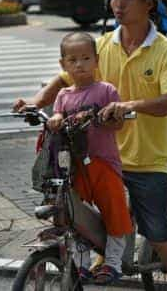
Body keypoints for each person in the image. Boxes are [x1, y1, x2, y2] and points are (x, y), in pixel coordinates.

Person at [15, 0, 167, 291]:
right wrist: (36, 101)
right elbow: (66, 78)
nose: (119, 5)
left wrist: (131, 105)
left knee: (156, 233)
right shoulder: (103, 46)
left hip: (145, 158)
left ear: (149, 2)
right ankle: (101, 256)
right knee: (65, 209)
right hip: (97, 155)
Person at [47, 32, 133, 285]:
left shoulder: (106, 90)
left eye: (85, 58)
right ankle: (82, 264)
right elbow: (57, 117)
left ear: (96, 60)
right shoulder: (63, 96)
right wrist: (55, 119)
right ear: (63, 65)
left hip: (104, 162)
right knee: (77, 216)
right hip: (75, 167)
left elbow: (118, 126)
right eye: (72, 60)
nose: (79, 64)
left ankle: (114, 263)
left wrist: (114, 116)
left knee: (114, 210)